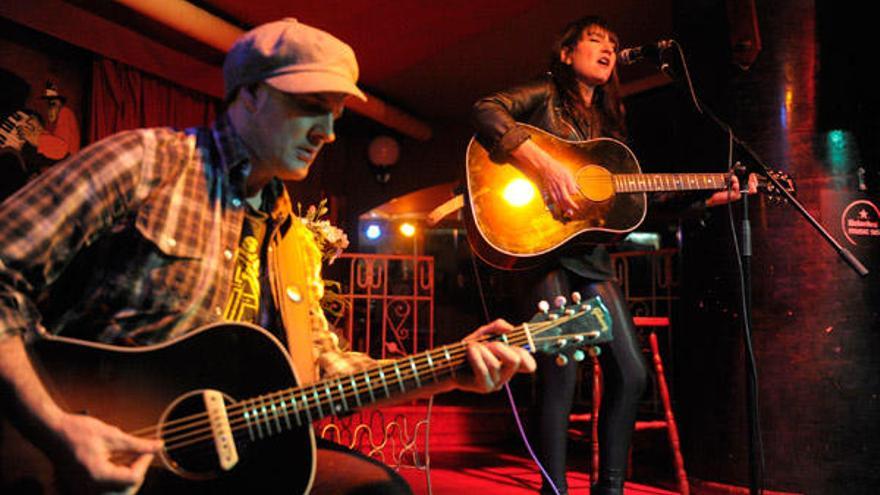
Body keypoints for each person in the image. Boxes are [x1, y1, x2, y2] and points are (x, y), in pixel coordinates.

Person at [0, 18, 535, 494]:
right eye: (310, 108)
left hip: (207, 462)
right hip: (56, 447)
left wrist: (450, 370)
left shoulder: (292, 239)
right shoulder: (145, 163)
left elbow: (327, 374)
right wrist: (53, 424)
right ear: (247, 95)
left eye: (335, 115)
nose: (327, 133)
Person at [471, 16, 750, 495]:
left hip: (589, 255)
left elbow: (636, 206)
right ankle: (553, 488)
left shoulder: (610, 124)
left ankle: (611, 490)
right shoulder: (543, 95)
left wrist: (711, 194)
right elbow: (486, 111)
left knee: (632, 373)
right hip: (540, 249)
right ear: (566, 54)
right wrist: (545, 163)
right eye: (595, 40)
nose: (607, 49)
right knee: (560, 369)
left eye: (612, 44)